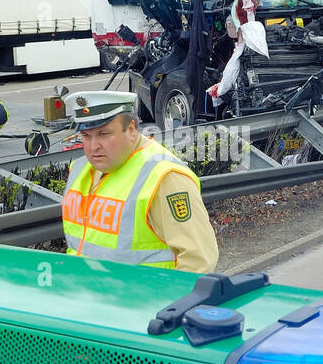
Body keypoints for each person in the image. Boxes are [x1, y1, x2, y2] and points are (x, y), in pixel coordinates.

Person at [61, 90, 218, 274]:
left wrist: (165, 303)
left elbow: (198, 262)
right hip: (87, 296)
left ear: (131, 130)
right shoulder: (81, 169)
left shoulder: (164, 177)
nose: (93, 146)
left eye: (104, 134)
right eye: (86, 136)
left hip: (144, 300)